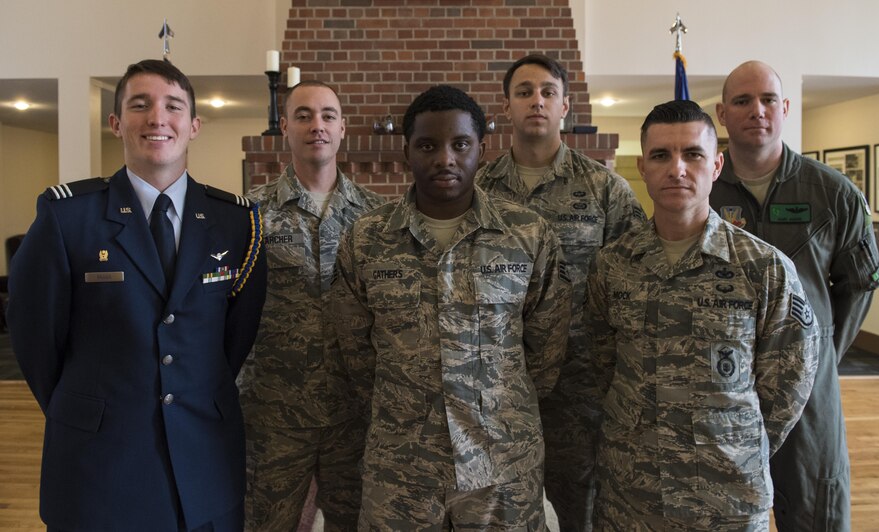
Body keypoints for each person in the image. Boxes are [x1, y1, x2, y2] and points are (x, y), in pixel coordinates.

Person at [6, 59, 267, 531]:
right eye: (140, 105)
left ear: (194, 125)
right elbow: (35, 338)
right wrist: (85, 406)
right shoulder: (67, 218)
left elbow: (235, 338)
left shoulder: (237, 222)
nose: (157, 118)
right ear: (116, 122)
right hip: (98, 462)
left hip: (204, 462)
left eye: (173, 106)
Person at [331, 85, 571, 530]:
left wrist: (499, 405)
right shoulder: (366, 239)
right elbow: (355, 350)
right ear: (406, 151)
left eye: (460, 144)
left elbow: (546, 347)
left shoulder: (528, 235)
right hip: (401, 464)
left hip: (502, 463)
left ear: (482, 149)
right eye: (428, 145)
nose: (445, 159)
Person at [588, 100, 819, 530]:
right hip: (632, 492)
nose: (677, 169)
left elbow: (789, 383)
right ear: (642, 167)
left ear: (716, 166)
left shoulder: (763, 268)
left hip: (727, 495)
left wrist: (733, 441)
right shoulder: (613, 264)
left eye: (692, 154)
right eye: (661, 155)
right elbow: (602, 365)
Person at [475, 53, 646, 531]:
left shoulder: (604, 190)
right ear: (506, 106)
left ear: (565, 106)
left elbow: (635, 284)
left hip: (581, 387)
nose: (537, 101)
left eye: (548, 92)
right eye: (524, 92)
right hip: (498, 386)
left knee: (582, 513)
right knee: (502, 514)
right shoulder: (478, 189)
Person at [710, 61, 879, 531]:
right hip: (722, 386)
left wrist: (820, 351)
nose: (757, 110)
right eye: (742, 101)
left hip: (809, 397)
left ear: (784, 108)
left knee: (815, 510)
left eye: (768, 99)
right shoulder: (703, 190)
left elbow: (859, 283)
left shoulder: (833, 193)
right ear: (722, 114)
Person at [239, 80, 384, 531]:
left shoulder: (378, 217)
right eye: (303, 116)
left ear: (343, 128)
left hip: (354, 415)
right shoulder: (249, 214)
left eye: (327, 116)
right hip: (274, 414)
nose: (316, 125)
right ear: (284, 127)